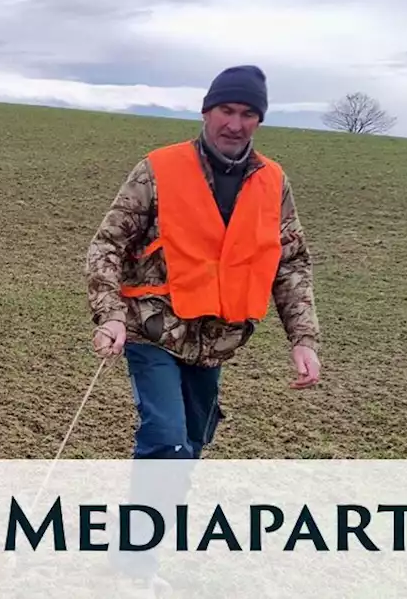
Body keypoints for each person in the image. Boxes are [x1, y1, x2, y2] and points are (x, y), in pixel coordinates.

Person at [84, 65, 322, 595]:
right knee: (166, 440)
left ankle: (141, 538)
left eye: (247, 113)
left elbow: (291, 264)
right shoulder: (159, 169)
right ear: (206, 111)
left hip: (217, 344)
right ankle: (136, 568)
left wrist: (303, 340)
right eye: (226, 110)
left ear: (258, 119)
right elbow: (106, 244)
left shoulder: (273, 182)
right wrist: (111, 316)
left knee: (189, 448)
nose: (235, 124)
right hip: (153, 330)